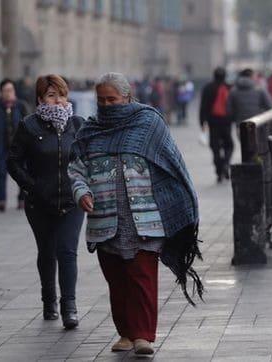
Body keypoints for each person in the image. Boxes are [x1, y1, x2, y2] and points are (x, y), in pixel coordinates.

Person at [69, 72, 203, 356]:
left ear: (127, 97)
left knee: (141, 277)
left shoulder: (148, 123)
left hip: (145, 218)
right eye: (101, 100)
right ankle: (126, 334)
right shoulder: (89, 132)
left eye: (112, 99)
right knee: (117, 280)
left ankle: (143, 335)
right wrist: (81, 192)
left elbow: (169, 162)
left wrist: (175, 201)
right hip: (105, 219)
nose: (107, 105)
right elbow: (77, 169)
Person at [7, 74, 85, 329]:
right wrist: (32, 186)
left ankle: (69, 307)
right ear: (40, 98)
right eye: (52, 95)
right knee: (47, 251)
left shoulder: (78, 125)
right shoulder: (29, 126)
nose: (58, 101)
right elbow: (13, 162)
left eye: (61, 94)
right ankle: (49, 299)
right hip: (39, 204)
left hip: (71, 202)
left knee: (68, 251)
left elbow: (89, 159)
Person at [0, 78, 28, 212]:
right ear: (1, 92)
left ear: (14, 91)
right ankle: (1, 200)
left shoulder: (21, 106)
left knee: (21, 173)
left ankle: (22, 199)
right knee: (2, 173)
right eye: (5, 90)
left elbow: (28, 126)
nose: (8, 93)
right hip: (2, 148)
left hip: (19, 148)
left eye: (10, 90)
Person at [199, 67, 233, 182]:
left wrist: (202, 122)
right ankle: (226, 163)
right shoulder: (229, 87)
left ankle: (219, 170)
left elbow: (203, 107)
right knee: (229, 145)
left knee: (215, 147)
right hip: (226, 122)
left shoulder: (207, 88)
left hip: (212, 122)